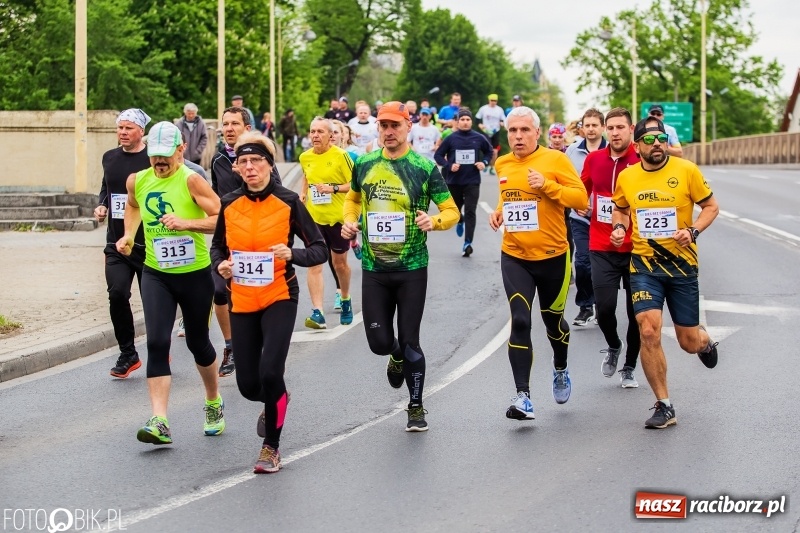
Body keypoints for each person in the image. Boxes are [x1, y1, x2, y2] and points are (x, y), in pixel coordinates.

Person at [211, 131, 327, 473]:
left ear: (269, 165)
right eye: (243, 162)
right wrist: (221, 266)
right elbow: (218, 246)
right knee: (249, 386)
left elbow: (319, 248)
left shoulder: (289, 201)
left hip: (280, 295)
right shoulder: (229, 203)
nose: (249, 167)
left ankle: (271, 447)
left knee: (271, 370)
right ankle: (279, 397)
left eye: (256, 161)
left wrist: (293, 253)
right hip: (242, 298)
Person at [342, 101, 459, 431]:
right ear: (377, 128)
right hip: (375, 268)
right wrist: (349, 220)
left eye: (395, 125)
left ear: (409, 127)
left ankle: (416, 406)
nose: (389, 131)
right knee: (379, 343)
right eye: (383, 125)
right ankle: (393, 355)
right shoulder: (365, 163)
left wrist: (433, 221)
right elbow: (352, 199)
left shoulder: (423, 167)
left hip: (412, 268)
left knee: (410, 341)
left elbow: (452, 211)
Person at [115, 121, 225, 444]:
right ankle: (159, 420)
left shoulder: (192, 180)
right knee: (157, 342)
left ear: (181, 150)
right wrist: (128, 235)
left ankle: (213, 401)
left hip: (195, 275)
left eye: (165, 155)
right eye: (154, 155)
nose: (159, 161)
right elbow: (133, 206)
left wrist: (186, 223)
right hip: (156, 273)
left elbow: (221, 219)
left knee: (198, 343)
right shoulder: (137, 180)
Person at [611, 116, 720, 429]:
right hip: (644, 266)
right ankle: (664, 405)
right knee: (648, 330)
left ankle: (704, 342)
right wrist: (619, 227)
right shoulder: (628, 177)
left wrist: (693, 230)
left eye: (661, 138)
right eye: (649, 140)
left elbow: (711, 207)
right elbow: (620, 208)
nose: (657, 144)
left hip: (682, 266)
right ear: (637, 147)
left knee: (688, 342)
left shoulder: (686, 170)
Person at [489, 106, 588, 421]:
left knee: (553, 323)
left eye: (524, 130)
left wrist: (547, 185)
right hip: (515, 255)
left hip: (553, 257)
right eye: (512, 131)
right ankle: (523, 397)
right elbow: (507, 195)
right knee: (520, 320)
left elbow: (581, 200)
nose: (518, 136)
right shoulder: (502, 162)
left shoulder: (556, 160)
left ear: (537, 132)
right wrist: (499, 211)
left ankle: (560, 367)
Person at [210, 106, 283, 376]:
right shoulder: (218, 159)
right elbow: (216, 196)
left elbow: (278, 191)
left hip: (260, 237)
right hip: (230, 236)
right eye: (225, 124)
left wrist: (246, 173)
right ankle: (231, 346)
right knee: (219, 290)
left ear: (247, 128)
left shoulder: (259, 156)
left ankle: (262, 344)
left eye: (235, 124)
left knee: (259, 294)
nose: (229, 129)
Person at [581, 107, 641, 388]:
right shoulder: (594, 159)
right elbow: (581, 189)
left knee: (637, 313)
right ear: (606, 130)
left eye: (621, 127)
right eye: (611, 128)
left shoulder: (640, 161)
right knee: (604, 309)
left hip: (636, 248)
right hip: (601, 244)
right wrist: (580, 203)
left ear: (631, 130)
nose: (615, 133)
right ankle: (614, 345)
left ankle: (629, 367)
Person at [94, 108, 152, 379]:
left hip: (148, 243)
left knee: (153, 301)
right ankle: (128, 354)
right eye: (120, 128)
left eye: (129, 128)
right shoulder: (109, 157)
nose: (123, 133)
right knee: (117, 294)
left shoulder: (152, 159)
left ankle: (159, 346)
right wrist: (102, 205)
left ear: (141, 131)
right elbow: (106, 187)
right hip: (117, 243)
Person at [298, 117, 355, 328]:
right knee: (314, 263)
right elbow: (307, 175)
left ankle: (346, 298)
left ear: (331, 136)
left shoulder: (341, 156)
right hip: (314, 218)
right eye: (312, 131)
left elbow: (355, 184)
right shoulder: (305, 157)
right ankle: (318, 312)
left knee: (339, 264)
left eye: (320, 131)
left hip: (338, 218)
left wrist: (333, 188)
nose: (315, 135)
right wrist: (303, 193)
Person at [565, 108, 607, 326]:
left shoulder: (611, 149)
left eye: (594, 125)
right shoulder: (572, 151)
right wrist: (575, 203)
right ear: (582, 127)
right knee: (582, 262)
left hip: (606, 218)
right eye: (587, 125)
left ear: (602, 127)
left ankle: (602, 306)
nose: (591, 129)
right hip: (579, 216)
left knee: (601, 266)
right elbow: (564, 180)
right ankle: (585, 307)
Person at [434, 107, 494, 257]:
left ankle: (468, 243)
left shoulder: (479, 138)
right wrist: (449, 165)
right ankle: (459, 220)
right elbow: (438, 155)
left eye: (468, 119)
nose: (465, 122)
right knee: (454, 211)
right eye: (462, 119)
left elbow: (489, 151)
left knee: (470, 211)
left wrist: (484, 162)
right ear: (457, 122)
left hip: (472, 181)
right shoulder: (451, 138)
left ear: (471, 122)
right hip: (454, 181)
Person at [475, 93, 507, 174]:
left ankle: (492, 167)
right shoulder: (483, 109)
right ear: (489, 100)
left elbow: (504, 120)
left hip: (495, 131)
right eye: (492, 100)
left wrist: (502, 123)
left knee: (495, 151)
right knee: (487, 149)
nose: (493, 102)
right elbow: (477, 119)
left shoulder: (499, 110)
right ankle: (485, 164)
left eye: (495, 101)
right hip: (486, 131)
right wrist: (480, 125)